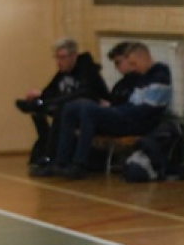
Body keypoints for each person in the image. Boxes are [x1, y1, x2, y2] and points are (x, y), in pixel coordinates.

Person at [50, 42, 172, 179]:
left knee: (87, 108)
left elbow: (145, 111)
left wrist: (116, 111)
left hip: (138, 121)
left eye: (134, 63)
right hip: (127, 114)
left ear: (143, 58)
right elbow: (132, 104)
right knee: (71, 107)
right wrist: (115, 109)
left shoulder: (159, 76)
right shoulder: (142, 77)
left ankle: (80, 164)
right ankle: (61, 161)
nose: (133, 68)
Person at [17, 37, 110, 174]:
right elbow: (50, 91)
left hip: (91, 113)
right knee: (38, 109)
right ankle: (45, 151)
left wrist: (50, 102)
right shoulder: (62, 73)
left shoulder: (87, 70)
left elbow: (85, 92)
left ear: (74, 55)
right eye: (57, 57)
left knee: (62, 110)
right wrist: (39, 98)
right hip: (69, 110)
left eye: (62, 57)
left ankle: (55, 158)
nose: (59, 62)